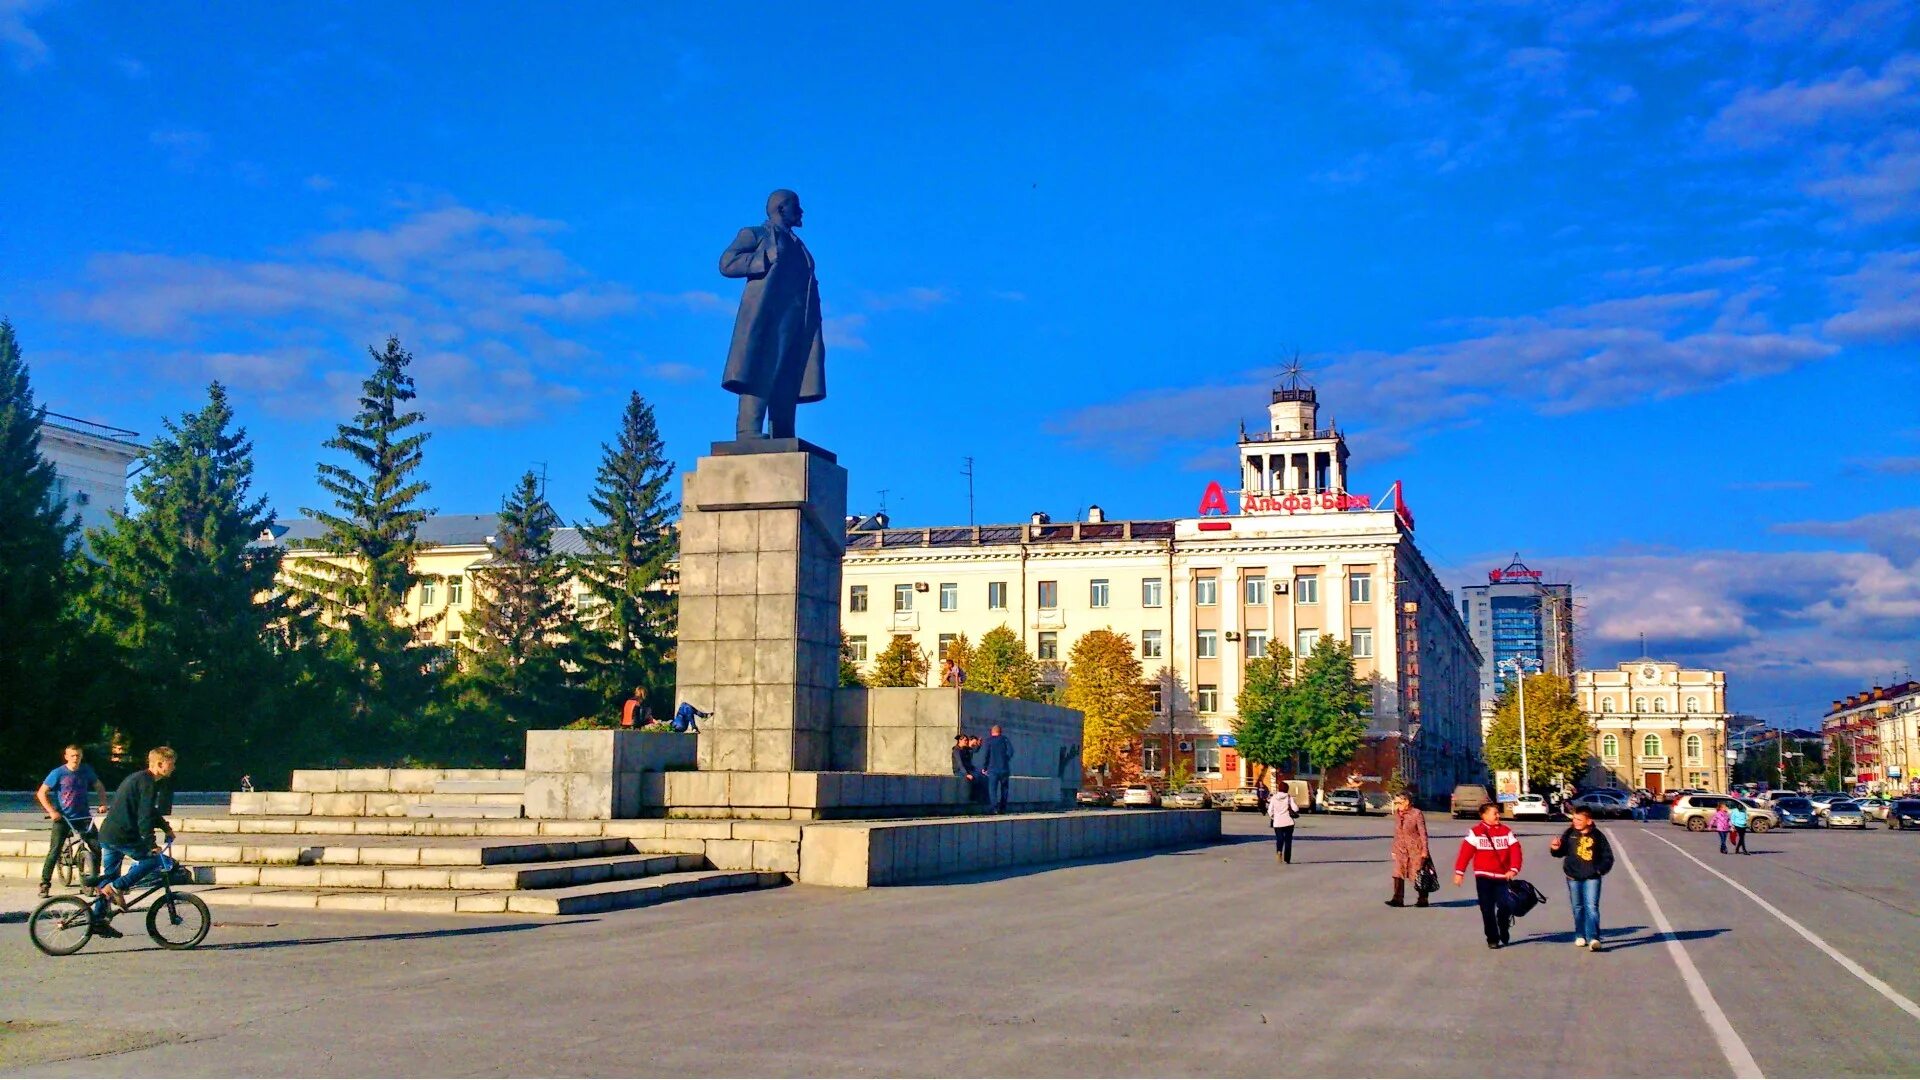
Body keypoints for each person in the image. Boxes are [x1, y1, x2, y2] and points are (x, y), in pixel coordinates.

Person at [91, 746, 180, 936]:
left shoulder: (141, 779)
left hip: (109, 834)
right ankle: (118, 888)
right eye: (171, 764)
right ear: (159, 764)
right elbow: (145, 817)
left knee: (109, 877)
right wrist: (152, 845)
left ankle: (98, 920)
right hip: (122, 836)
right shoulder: (147, 782)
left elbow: (150, 811)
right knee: (154, 861)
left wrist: (166, 827)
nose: (173, 768)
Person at [35, 744, 108, 899]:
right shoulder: (58, 773)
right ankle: (45, 884)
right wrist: (52, 811)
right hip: (63, 818)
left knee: (97, 846)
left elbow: (99, 785)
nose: (76, 758)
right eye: (73, 755)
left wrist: (102, 803)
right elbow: (42, 793)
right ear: (66, 757)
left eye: (78, 755)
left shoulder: (86, 770)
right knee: (55, 850)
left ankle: (94, 881)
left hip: (83, 816)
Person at [1452, 802, 1522, 949]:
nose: (1498, 816)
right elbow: (1465, 853)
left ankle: (1503, 925)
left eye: (1498, 813)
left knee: (1505, 906)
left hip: (1503, 877)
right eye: (1494, 813)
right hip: (1483, 876)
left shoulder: (1506, 831)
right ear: (1483, 815)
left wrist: (1514, 869)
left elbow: (1516, 851)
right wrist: (1459, 873)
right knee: (1486, 908)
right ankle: (1492, 938)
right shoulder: (1475, 832)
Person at [1549, 806, 1615, 951]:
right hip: (1573, 876)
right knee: (1577, 907)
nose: (1576, 822)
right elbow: (1560, 852)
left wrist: (1599, 870)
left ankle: (1594, 938)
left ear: (1589, 821)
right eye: (1574, 819)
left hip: (1592, 877)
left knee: (1592, 907)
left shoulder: (1598, 836)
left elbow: (1608, 857)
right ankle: (1580, 935)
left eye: (1579, 819)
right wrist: (1555, 848)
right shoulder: (1569, 833)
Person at [1387, 791, 1431, 908]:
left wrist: (1424, 850)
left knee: (1419, 874)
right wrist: (1394, 849)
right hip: (1401, 848)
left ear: (1407, 802)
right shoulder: (1398, 814)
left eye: (1399, 802)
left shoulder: (1417, 813)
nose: (1397, 805)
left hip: (1415, 849)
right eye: (1396, 803)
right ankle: (1397, 899)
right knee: (1397, 872)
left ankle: (1423, 899)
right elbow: (1397, 833)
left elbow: (1423, 833)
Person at [979, 724, 1015, 814]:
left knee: (992, 789)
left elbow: (986, 755)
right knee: (1004, 789)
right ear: (1000, 732)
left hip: (992, 769)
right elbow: (1011, 751)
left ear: (992, 732)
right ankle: (1003, 808)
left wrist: (984, 767)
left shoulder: (989, 741)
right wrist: (1005, 759)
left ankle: (994, 808)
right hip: (1004, 769)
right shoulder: (1005, 739)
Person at [1268, 777, 1300, 865]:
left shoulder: (1274, 798)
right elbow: (1296, 809)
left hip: (1278, 823)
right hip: (1289, 822)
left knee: (1279, 838)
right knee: (1288, 841)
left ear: (1279, 789)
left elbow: (1270, 810)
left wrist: (1274, 817)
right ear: (1287, 789)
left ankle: (1279, 851)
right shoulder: (1289, 797)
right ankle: (1287, 859)